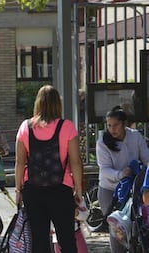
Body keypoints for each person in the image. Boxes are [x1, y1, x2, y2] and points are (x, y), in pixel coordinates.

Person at [15, 85, 83, 253]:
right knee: (67, 239)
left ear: (38, 103)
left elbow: (19, 161)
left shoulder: (25, 127)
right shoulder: (66, 127)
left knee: (39, 240)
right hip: (61, 190)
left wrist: (18, 190)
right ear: (57, 104)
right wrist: (79, 189)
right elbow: (75, 161)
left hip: (33, 191)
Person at [96, 106, 149, 253]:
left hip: (133, 189)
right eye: (109, 125)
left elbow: (146, 158)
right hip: (110, 189)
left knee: (136, 226)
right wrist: (120, 174)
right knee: (116, 229)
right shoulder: (102, 141)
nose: (112, 129)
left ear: (124, 124)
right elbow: (104, 168)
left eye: (116, 125)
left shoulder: (135, 136)